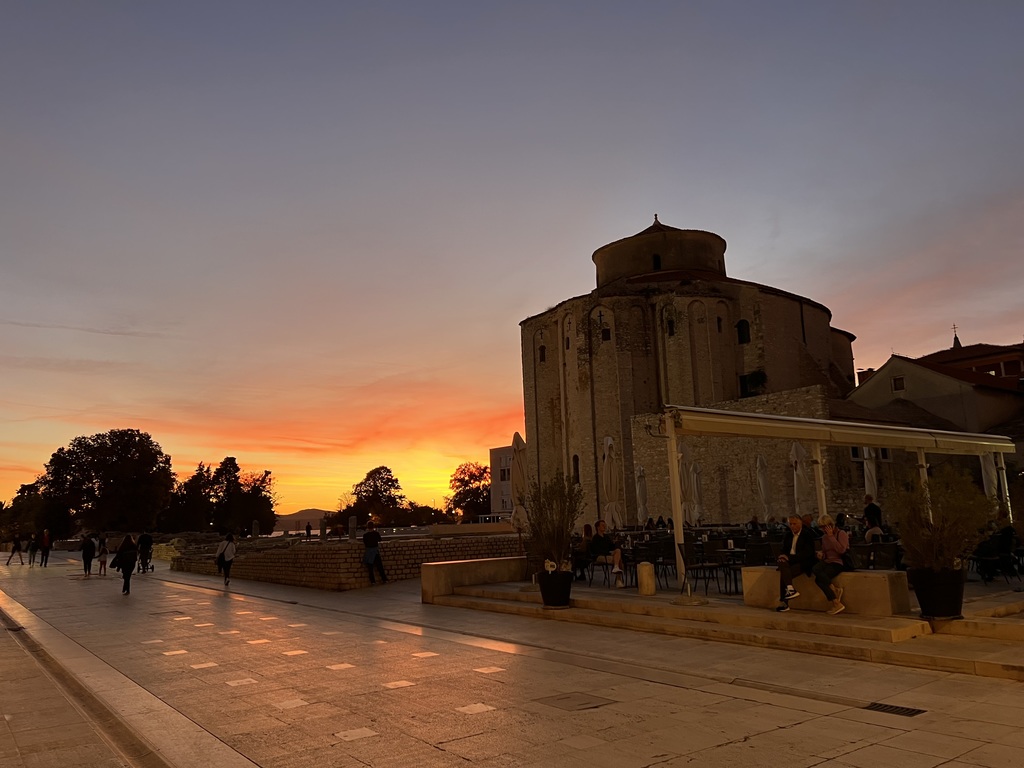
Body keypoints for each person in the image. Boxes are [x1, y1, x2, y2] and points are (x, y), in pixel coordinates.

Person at [775, 515, 817, 612]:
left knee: (785, 574)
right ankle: (790, 589)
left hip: (803, 562)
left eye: (795, 524)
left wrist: (789, 558)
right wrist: (782, 556)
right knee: (782, 563)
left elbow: (807, 553)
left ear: (800, 523)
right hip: (789, 561)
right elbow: (784, 549)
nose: (792, 526)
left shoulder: (807, 535)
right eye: (791, 524)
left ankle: (784, 602)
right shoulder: (788, 535)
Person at [813, 514, 850, 615]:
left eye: (824, 527)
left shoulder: (841, 534)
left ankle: (835, 601)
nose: (823, 529)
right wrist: (821, 554)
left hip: (838, 562)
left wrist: (831, 537)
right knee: (815, 569)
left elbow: (841, 550)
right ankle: (835, 595)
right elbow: (826, 552)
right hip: (828, 561)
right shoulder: (824, 537)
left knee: (818, 579)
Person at [590, 519, 625, 587]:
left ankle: (616, 567)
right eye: (602, 525)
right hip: (599, 556)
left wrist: (616, 543)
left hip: (608, 554)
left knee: (618, 551)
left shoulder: (606, 537)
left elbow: (611, 546)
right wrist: (609, 553)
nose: (604, 527)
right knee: (618, 560)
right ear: (598, 527)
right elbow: (596, 550)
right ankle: (619, 579)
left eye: (604, 525)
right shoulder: (595, 538)